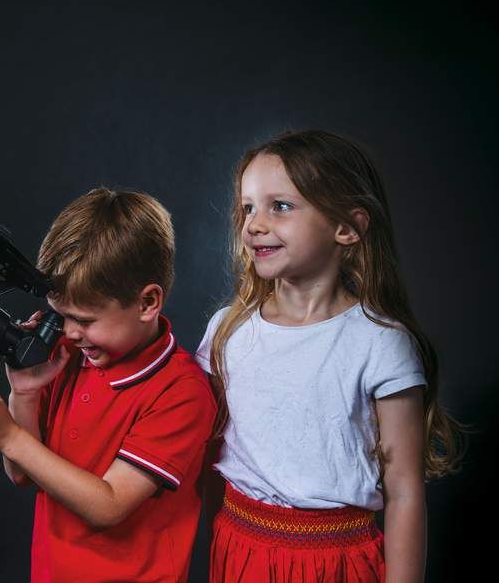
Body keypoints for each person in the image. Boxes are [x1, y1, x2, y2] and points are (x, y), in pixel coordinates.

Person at [195, 130, 464, 583]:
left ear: (347, 228)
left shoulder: (380, 343)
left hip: (335, 560)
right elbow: (193, 444)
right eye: (247, 207)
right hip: (238, 548)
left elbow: (404, 493)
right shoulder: (229, 330)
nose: (253, 224)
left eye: (279, 206)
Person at [0, 188, 217, 582]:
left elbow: (109, 505)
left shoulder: (181, 392)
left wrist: (9, 437)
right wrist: (24, 394)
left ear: (148, 302)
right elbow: (23, 473)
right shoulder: (66, 356)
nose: (71, 332)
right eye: (61, 316)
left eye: (86, 319)